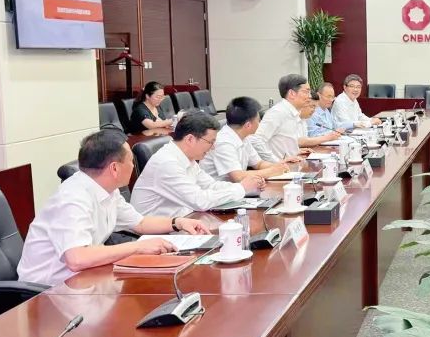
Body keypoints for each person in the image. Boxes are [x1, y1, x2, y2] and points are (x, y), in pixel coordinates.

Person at [17, 130, 209, 286]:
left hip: (86, 280)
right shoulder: (72, 198)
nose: (133, 166)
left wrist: (178, 223)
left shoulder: (107, 189)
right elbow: (77, 258)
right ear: (114, 168)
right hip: (48, 292)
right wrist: (138, 247)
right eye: (131, 161)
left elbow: (140, 223)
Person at [131, 111, 263, 217]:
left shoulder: (187, 158)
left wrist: (247, 186)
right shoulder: (167, 163)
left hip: (183, 221)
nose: (213, 147)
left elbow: (211, 185)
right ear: (190, 139)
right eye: (210, 142)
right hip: (156, 234)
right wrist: (241, 188)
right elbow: (200, 201)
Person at [200, 97, 299, 182]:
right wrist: (271, 171)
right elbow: (238, 177)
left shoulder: (244, 137)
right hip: (218, 193)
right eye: (258, 121)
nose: (260, 124)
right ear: (248, 125)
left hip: (236, 190)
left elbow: (259, 164)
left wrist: (279, 165)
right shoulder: (223, 142)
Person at [249, 74, 331, 162]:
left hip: (292, 164)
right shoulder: (278, 112)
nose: (310, 96)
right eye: (306, 92)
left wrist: (295, 151)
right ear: (292, 93)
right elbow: (256, 140)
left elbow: (281, 142)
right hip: (280, 168)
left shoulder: (294, 113)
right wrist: (276, 161)